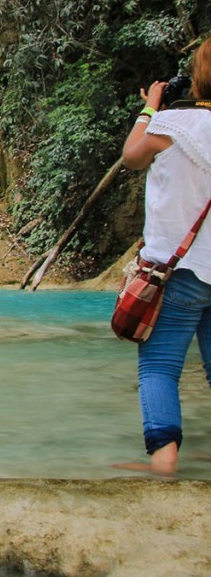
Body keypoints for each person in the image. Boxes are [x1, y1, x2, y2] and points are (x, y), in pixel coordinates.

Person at [119, 37, 211, 475]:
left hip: (178, 272)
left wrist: (151, 105)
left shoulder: (174, 124)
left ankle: (164, 464)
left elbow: (132, 157)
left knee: (159, 367)